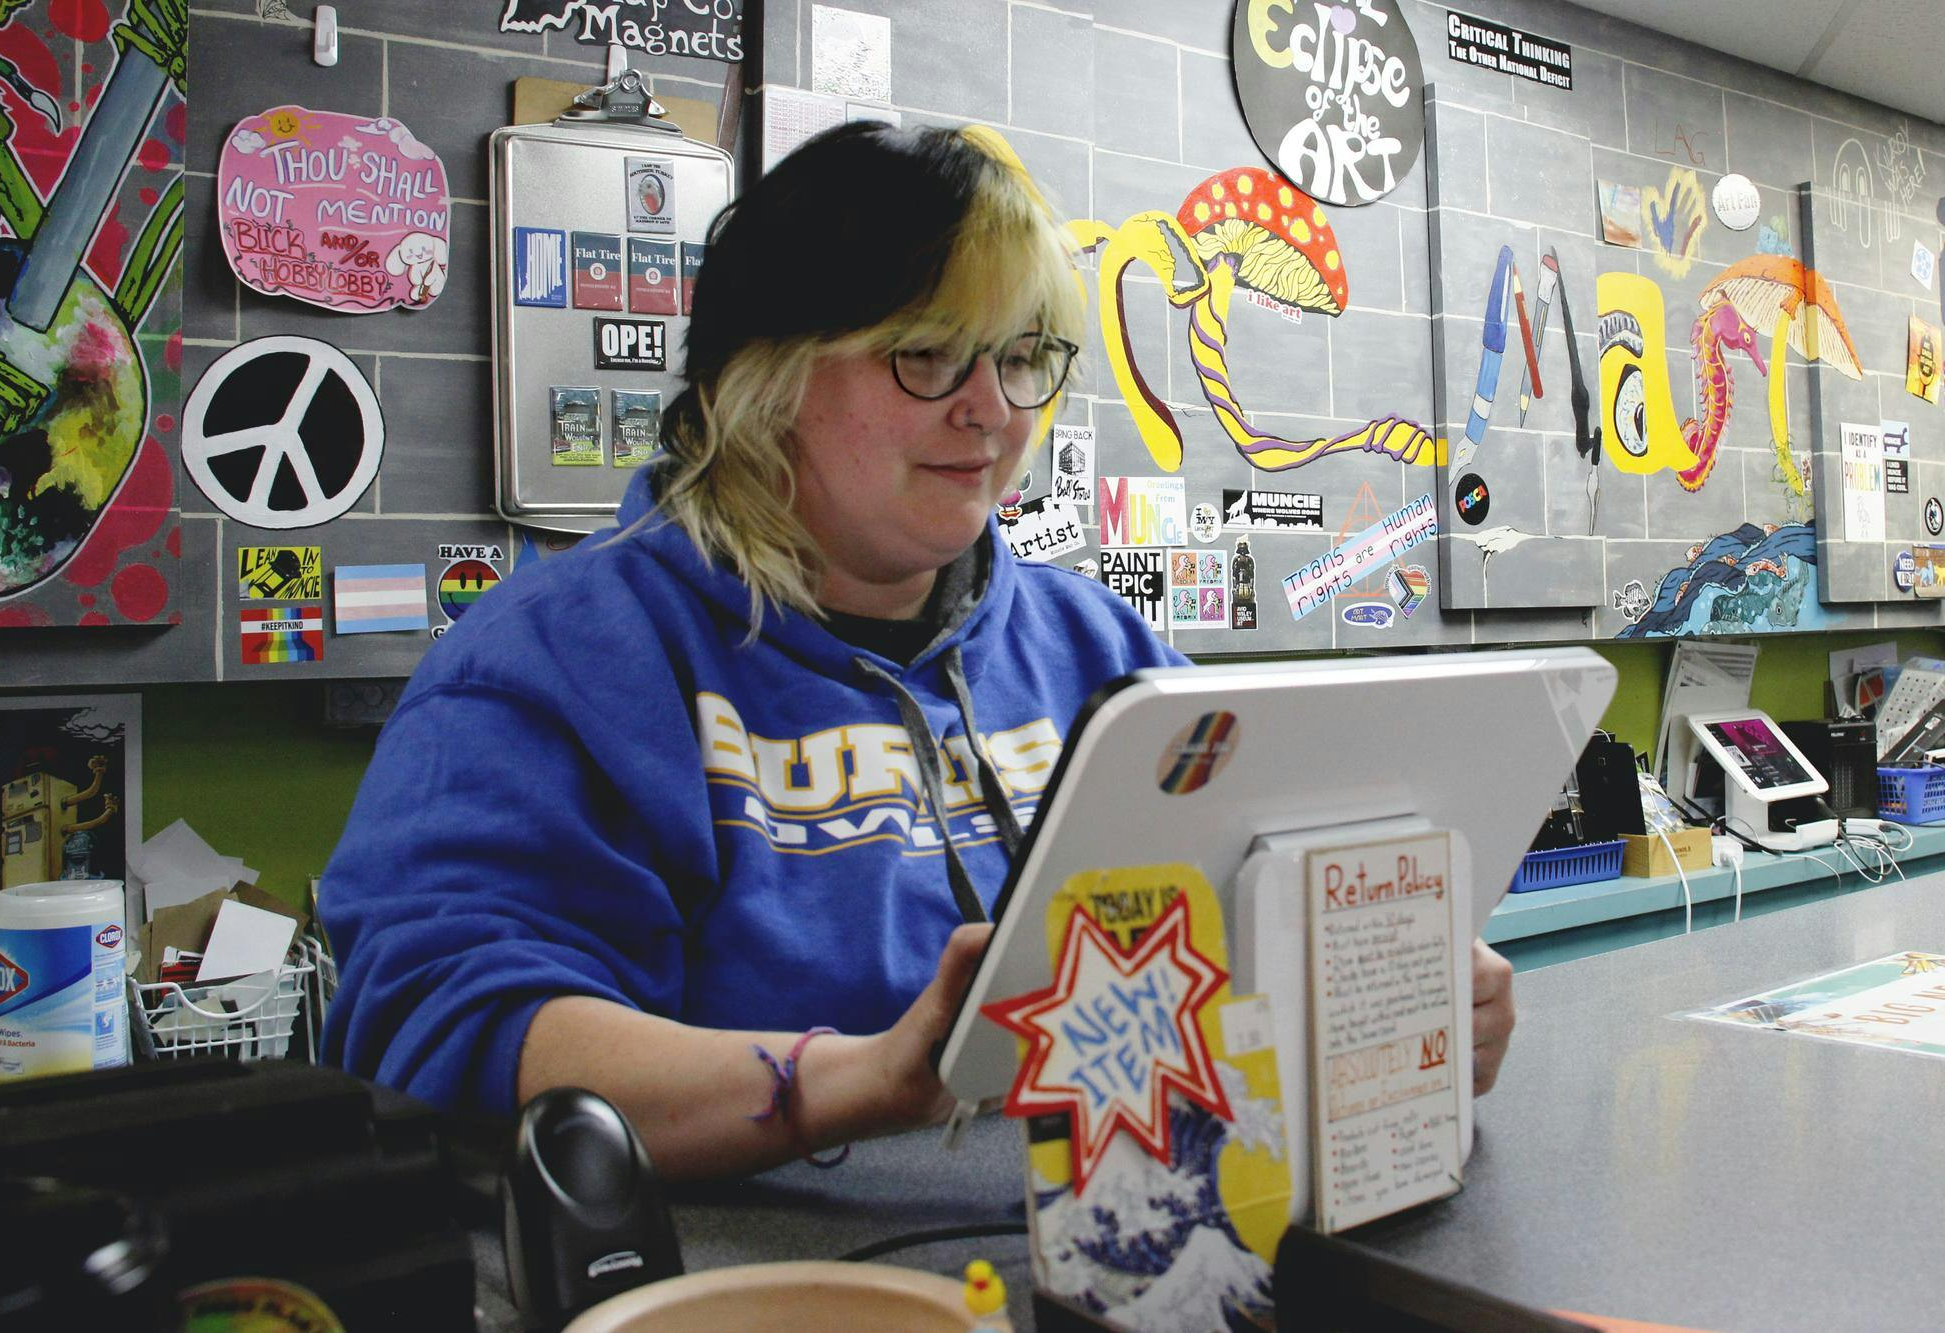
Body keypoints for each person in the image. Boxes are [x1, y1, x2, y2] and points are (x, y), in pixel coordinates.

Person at [318, 122, 1515, 1181]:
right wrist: (857, 1079)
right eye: (928, 353)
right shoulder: (556, 664)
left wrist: (1378, 976)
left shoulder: (1097, 651)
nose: (989, 408)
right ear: (764, 378)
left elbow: (1232, 930)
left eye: (1020, 356)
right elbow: (436, 1026)